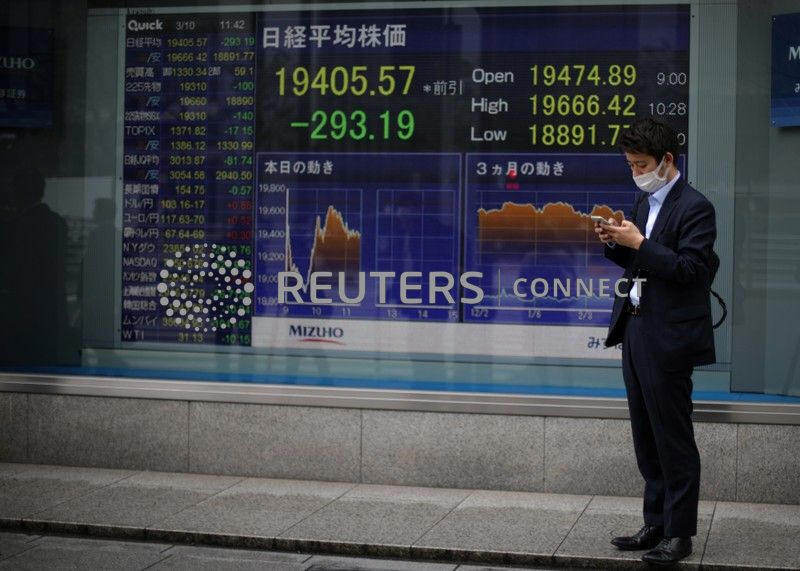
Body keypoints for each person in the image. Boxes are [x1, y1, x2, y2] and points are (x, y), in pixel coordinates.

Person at [594, 118, 716, 565]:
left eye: (641, 164)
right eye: (630, 165)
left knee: (672, 436)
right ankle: (655, 522)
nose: (635, 172)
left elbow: (691, 270)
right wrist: (615, 242)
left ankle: (679, 533)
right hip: (636, 327)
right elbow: (640, 261)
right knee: (645, 433)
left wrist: (640, 243)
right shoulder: (644, 201)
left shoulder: (696, 207)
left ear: (667, 160)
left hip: (670, 335)